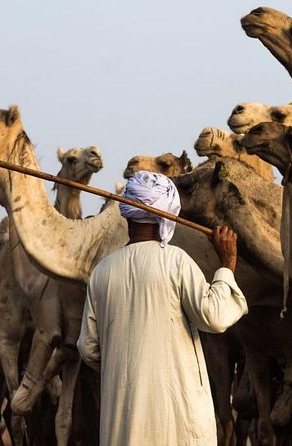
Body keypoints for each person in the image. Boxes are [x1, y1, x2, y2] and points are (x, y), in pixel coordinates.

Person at [77, 170, 248, 445]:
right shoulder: (175, 262)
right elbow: (214, 316)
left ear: (126, 213)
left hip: (123, 426)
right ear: (167, 215)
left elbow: (88, 348)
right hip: (178, 423)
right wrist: (227, 263)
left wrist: (124, 368)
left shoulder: (101, 272)